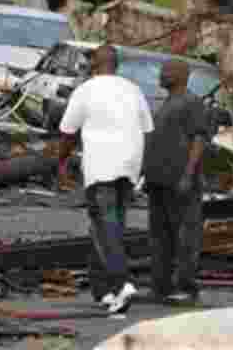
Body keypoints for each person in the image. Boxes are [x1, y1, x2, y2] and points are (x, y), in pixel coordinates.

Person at [58, 45, 153, 314]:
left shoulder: (86, 90)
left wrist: (61, 161)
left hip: (102, 168)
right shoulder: (133, 89)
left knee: (105, 226)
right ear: (116, 65)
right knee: (111, 226)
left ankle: (122, 283)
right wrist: (141, 168)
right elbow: (148, 131)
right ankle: (105, 292)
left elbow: (67, 132)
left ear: (94, 65)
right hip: (129, 168)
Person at [142, 60, 212, 305]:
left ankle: (187, 289)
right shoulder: (167, 103)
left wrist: (188, 174)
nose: (162, 74)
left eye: (167, 71)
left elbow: (199, 140)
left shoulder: (191, 103)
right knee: (160, 237)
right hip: (159, 182)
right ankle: (161, 287)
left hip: (180, 181)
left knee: (185, 236)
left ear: (182, 75)